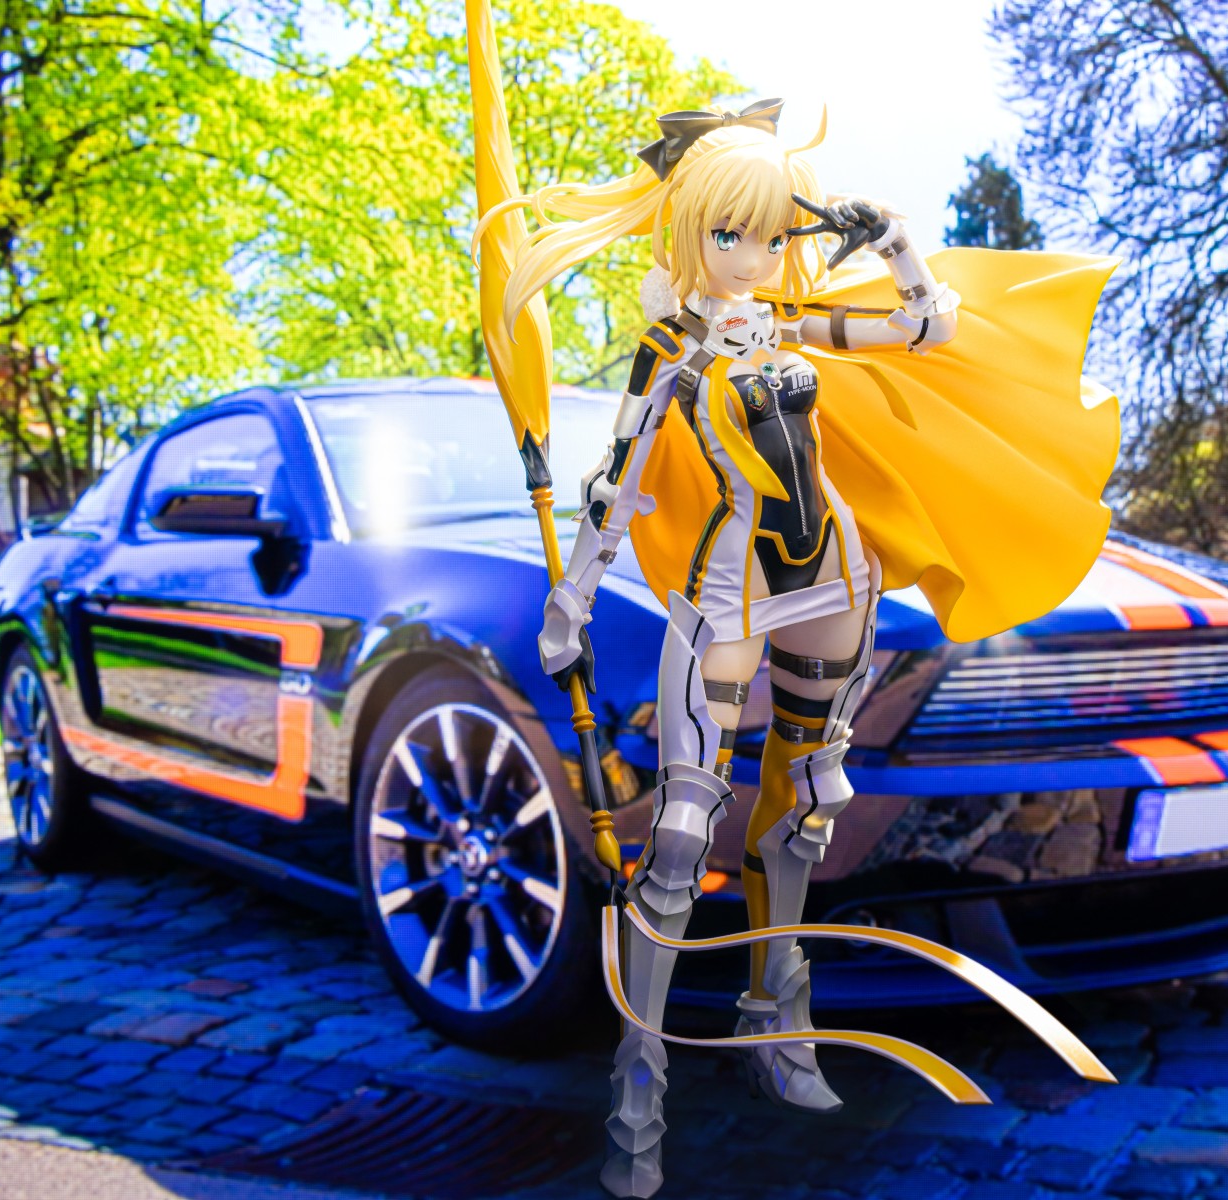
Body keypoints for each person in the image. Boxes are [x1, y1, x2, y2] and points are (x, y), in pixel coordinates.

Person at [479, 98, 1120, 1199]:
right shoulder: (669, 349)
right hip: (729, 591)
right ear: (689, 231)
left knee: (806, 808)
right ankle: (640, 1085)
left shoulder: (793, 324)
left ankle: (778, 1018)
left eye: (775, 235)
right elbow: (616, 484)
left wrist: (899, 242)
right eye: (732, 233)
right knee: (682, 833)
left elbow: (928, 330)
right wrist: (572, 598)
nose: (754, 257)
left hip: (837, 581)